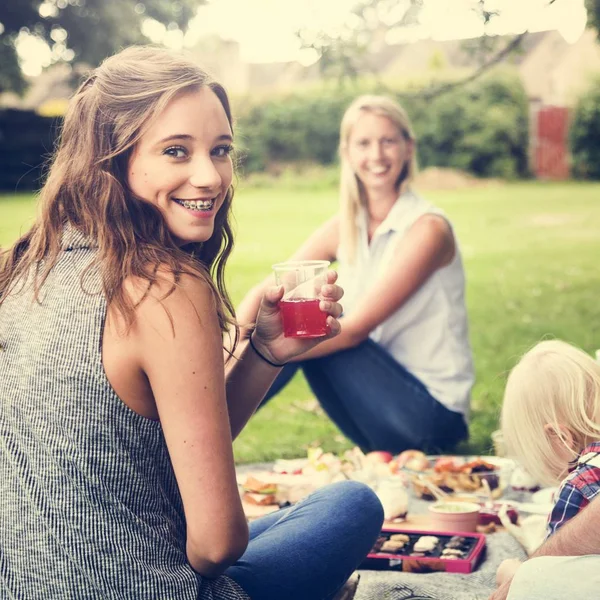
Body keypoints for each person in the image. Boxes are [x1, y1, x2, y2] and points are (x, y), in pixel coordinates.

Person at [0, 46, 384, 600]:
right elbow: (216, 546)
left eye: (221, 149)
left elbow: (182, 446)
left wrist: (264, 351)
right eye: (176, 151)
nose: (209, 176)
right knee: (351, 504)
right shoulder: (165, 286)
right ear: (111, 158)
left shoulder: (23, 268)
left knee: (291, 520)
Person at [236, 95, 474, 454]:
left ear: (408, 148)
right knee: (294, 314)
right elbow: (268, 288)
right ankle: (202, 424)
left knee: (316, 324)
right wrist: (233, 345)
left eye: (388, 141)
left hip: (430, 419)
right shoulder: (346, 227)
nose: (376, 155)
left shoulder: (428, 229)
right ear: (347, 152)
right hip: (376, 409)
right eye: (364, 143)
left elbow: (355, 331)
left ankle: (201, 436)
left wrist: (261, 351)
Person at [491, 339, 600, 599]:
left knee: (508, 570)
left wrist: (518, 576)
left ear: (561, 438)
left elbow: (549, 575)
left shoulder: (577, 486)